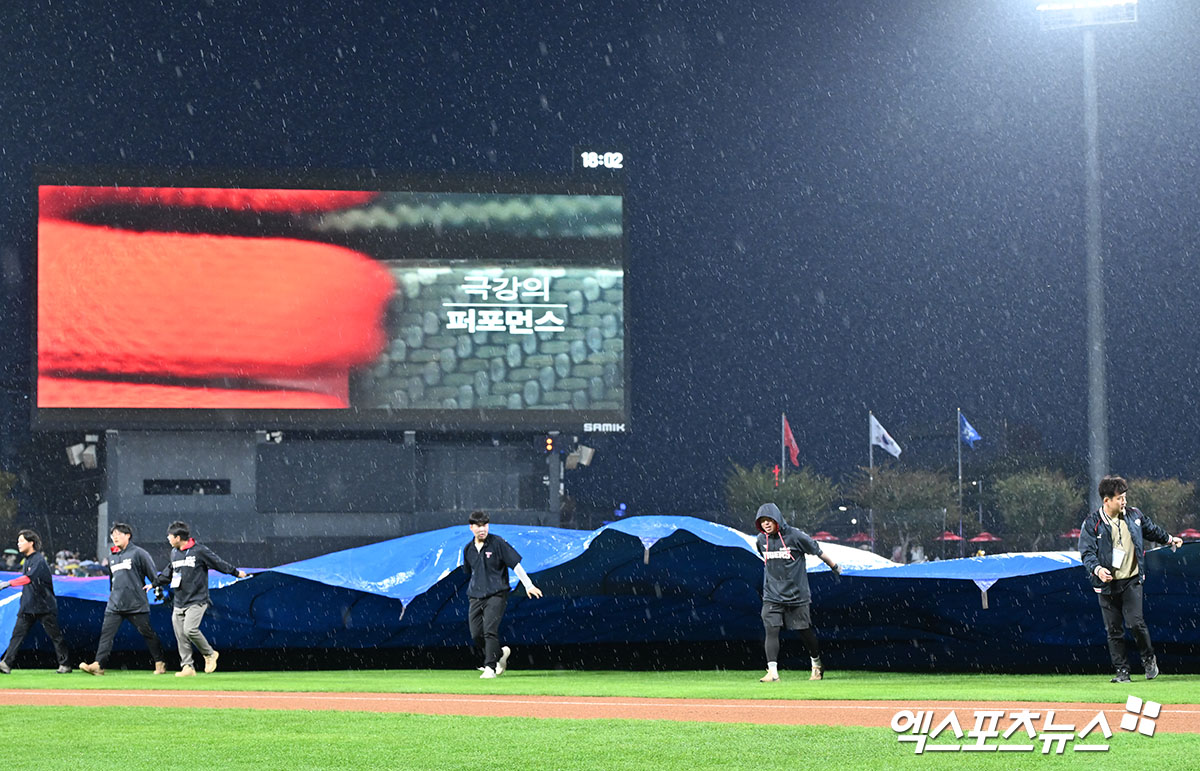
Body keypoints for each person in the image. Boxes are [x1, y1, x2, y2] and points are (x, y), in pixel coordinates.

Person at [1079, 475, 1183, 683]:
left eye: (1124, 497)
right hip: (1106, 584)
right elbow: (1086, 552)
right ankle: (1122, 672)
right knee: (1114, 631)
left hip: (1132, 580)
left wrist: (1170, 539)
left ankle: (1148, 660)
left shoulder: (1134, 515)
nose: (1124, 501)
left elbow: (1151, 530)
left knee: (1136, 623)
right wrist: (1098, 569)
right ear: (1106, 500)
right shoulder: (1092, 523)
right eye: (1119, 498)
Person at [754, 503, 841, 682]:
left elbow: (818, 551)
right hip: (772, 595)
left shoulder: (795, 536)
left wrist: (834, 566)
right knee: (771, 630)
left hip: (797, 595)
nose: (766, 524)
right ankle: (772, 672)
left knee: (804, 631)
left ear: (777, 519)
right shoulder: (761, 540)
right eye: (762, 521)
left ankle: (817, 664)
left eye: (769, 520)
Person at [152, 521, 247, 676]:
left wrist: (235, 572)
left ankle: (210, 654)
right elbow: (169, 571)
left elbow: (217, 562)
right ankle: (187, 667)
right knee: (181, 635)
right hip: (179, 601)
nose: (167, 538)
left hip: (197, 599)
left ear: (178, 537)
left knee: (190, 629)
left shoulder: (199, 551)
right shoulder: (174, 553)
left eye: (169, 536)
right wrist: (155, 583)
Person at [461, 510, 543, 679]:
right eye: (478, 526)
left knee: (489, 630)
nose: (482, 529)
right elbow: (470, 572)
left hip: (497, 593)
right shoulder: (468, 549)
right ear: (471, 528)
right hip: (475, 595)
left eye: (485, 525)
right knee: (476, 634)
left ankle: (490, 667)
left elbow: (516, 565)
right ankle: (499, 654)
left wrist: (529, 585)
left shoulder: (498, 543)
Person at [79, 523, 167, 676]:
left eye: (119, 534)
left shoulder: (139, 553)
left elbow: (153, 575)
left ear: (128, 536)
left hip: (136, 604)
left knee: (148, 634)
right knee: (106, 635)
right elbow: (112, 580)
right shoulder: (112, 557)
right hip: (115, 605)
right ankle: (98, 665)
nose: (115, 537)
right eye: (113, 535)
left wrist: (157, 588)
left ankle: (160, 662)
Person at [0, 530, 71, 674]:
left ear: (30, 543)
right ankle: (6, 664)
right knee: (16, 636)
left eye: (21, 541)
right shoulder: (27, 560)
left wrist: (8, 583)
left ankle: (65, 665)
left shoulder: (38, 560)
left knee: (55, 636)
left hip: (44, 606)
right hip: (28, 605)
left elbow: (28, 579)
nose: (18, 543)